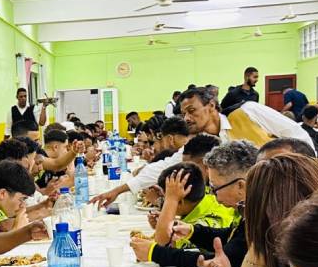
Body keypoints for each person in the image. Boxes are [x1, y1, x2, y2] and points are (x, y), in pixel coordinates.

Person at [132, 140, 256, 267]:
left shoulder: (261, 219)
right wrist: (192, 231)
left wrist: (155, 253)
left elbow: (218, 262)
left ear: (240, 186)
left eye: (215, 188)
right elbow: (231, 237)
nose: (214, 196)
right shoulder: (249, 209)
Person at [93, 86, 222, 208]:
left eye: (192, 111)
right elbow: (167, 166)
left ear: (211, 105)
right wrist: (117, 191)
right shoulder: (199, 139)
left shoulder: (238, 124)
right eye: (184, 114)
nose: (187, 118)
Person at [152, 162, 237, 248]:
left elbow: (162, 244)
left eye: (166, 199)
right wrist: (164, 221)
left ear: (180, 202)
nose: (164, 203)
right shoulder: (208, 200)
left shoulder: (205, 222)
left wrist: (171, 203)